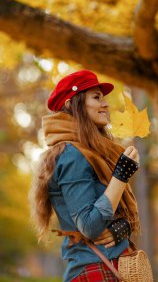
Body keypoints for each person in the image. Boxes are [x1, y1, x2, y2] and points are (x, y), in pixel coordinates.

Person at [29, 69, 140, 282]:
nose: (105, 104)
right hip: (95, 272)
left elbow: (108, 210)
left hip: (109, 268)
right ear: (73, 104)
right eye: (96, 97)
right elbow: (89, 225)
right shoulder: (71, 155)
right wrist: (121, 176)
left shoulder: (92, 152)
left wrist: (121, 227)